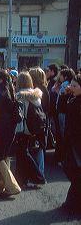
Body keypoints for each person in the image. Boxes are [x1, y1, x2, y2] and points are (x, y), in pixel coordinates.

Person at [0, 70, 21, 197]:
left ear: (0, 79)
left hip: (0, 129)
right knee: (3, 156)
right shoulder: (9, 89)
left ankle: (12, 187)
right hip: (9, 129)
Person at [15, 71, 46, 189]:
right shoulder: (36, 95)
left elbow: (19, 115)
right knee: (27, 154)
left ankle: (36, 177)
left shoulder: (20, 96)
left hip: (24, 129)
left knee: (23, 154)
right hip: (35, 128)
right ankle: (24, 178)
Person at [62, 74, 81, 214]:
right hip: (71, 141)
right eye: (72, 85)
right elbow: (63, 110)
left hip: (77, 142)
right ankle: (72, 204)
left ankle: (72, 205)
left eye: (75, 86)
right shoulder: (73, 98)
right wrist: (66, 95)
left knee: (75, 172)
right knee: (73, 172)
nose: (72, 88)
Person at [29, 67, 49, 180]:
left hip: (39, 122)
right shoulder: (43, 88)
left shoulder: (39, 90)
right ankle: (38, 173)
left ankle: (39, 174)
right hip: (41, 121)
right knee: (38, 148)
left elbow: (42, 108)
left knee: (38, 148)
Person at [55, 68, 75, 166]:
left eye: (61, 75)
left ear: (65, 76)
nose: (59, 77)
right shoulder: (68, 84)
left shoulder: (65, 85)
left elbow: (61, 96)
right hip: (63, 112)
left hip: (62, 112)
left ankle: (63, 157)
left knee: (63, 135)